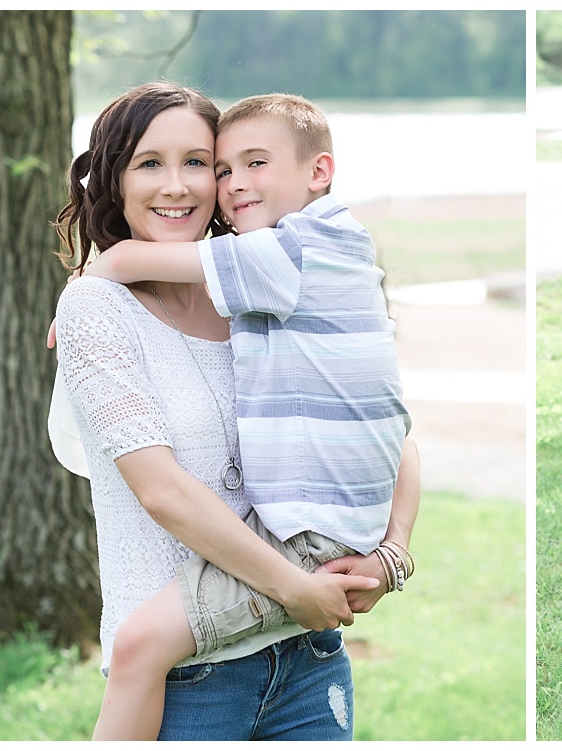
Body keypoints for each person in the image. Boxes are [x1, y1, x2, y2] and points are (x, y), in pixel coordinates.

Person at [53, 82, 417, 741]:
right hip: (191, 681)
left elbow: (389, 425)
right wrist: (296, 588)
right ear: (115, 177)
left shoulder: (257, 281)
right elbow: (163, 491)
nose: (181, 186)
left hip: (307, 660)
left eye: (199, 162)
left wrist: (391, 554)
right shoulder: (96, 307)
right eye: (149, 163)